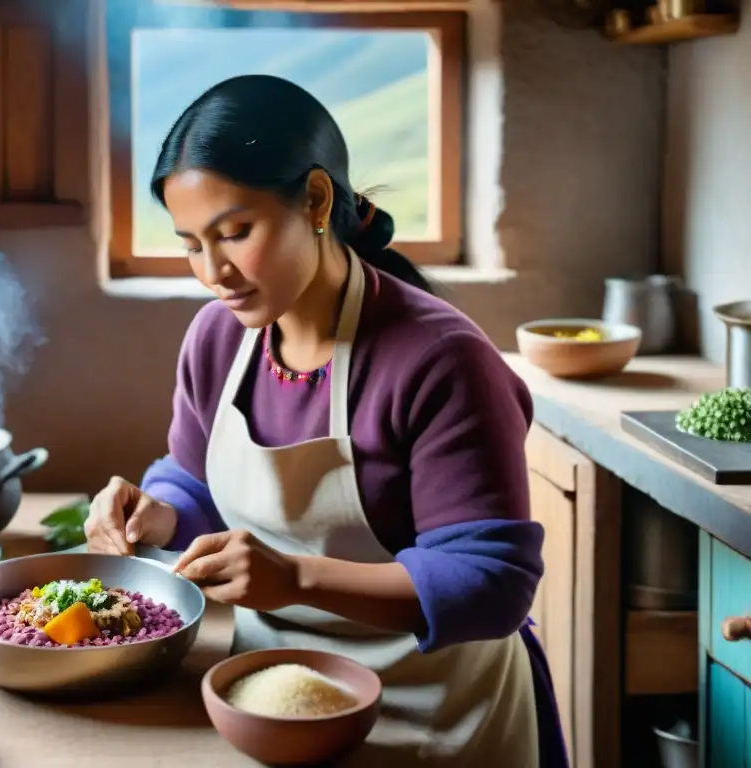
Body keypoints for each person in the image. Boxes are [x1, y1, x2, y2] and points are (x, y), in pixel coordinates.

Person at [85, 74, 567, 766]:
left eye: (235, 233)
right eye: (191, 243)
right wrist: (154, 512)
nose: (213, 271)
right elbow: (195, 481)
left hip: (441, 718)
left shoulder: (441, 361)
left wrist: (296, 580)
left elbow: (492, 582)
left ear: (315, 200)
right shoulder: (218, 340)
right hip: (275, 703)